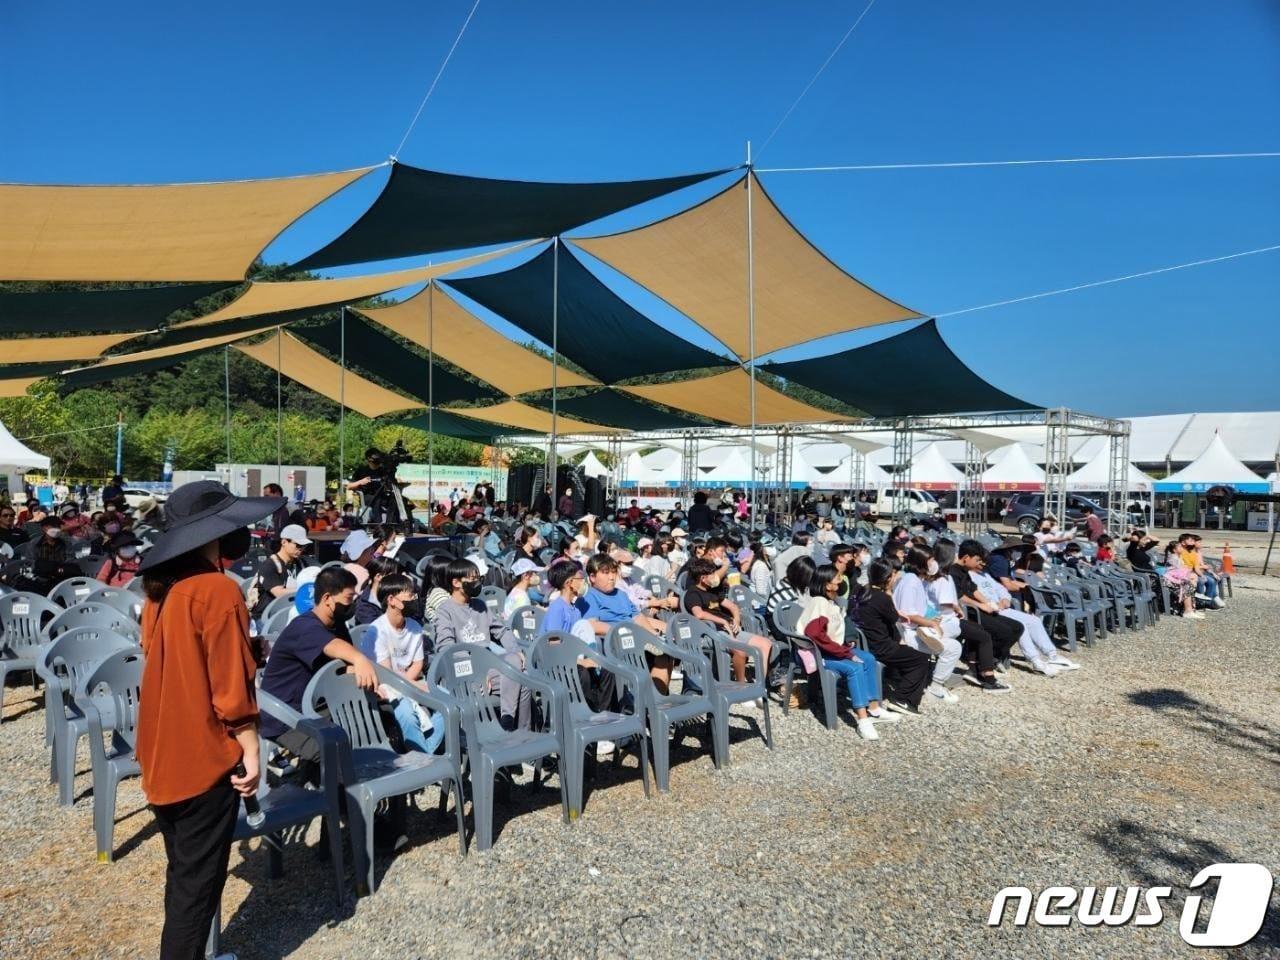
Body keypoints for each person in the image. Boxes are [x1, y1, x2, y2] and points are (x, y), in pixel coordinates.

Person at [135, 480, 282, 959]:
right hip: (201, 758)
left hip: (160, 753)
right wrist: (251, 747)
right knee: (197, 889)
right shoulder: (218, 589)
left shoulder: (162, 588)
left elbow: (174, 661)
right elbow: (229, 691)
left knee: (184, 877)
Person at [260, 567, 378, 758]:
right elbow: (332, 646)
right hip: (286, 716)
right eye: (349, 598)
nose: (353, 604)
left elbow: (339, 666)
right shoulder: (304, 627)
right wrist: (359, 658)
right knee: (335, 752)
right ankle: (336, 786)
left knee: (378, 714)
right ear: (327, 599)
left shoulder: (336, 623)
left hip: (318, 704)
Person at [797, 563, 895, 739]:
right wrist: (844, 653)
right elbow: (814, 634)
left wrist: (847, 644)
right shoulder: (819, 602)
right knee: (855, 668)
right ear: (828, 584)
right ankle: (863, 720)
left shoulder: (832, 602)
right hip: (821, 654)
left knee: (869, 659)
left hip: (835, 649)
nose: (841, 579)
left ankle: (874, 708)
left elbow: (838, 628)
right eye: (837, 578)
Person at [434, 558, 533, 731]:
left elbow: (502, 631)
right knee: (521, 682)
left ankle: (513, 726)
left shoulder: (480, 605)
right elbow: (447, 649)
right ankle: (513, 731)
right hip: (464, 673)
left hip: (489, 669)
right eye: (471, 579)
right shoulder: (445, 611)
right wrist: (477, 672)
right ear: (456, 582)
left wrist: (516, 651)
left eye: (478, 579)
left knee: (517, 666)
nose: (476, 583)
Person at [848, 560, 932, 716]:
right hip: (880, 647)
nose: (895, 578)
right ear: (887, 578)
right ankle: (903, 699)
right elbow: (894, 618)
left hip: (862, 644)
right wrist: (889, 594)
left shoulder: (858, 592)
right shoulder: (882, 598)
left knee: (908, 652)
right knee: (920, 659)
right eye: (893, 575)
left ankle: (897, 683)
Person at [372, 573, 443, 754]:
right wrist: (415, 687)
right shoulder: (377, 631)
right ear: (391, 600)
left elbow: (418, 663)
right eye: (409, 595)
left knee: (448, 700)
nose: (414, 599)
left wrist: (412, 686)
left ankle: (423, 757)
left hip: (408, 682)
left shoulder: (414, 627)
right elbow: (385, 674)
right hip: (384, 688)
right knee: (407, 714)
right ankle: (424, 760)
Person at [580, 553, 673, 690]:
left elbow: (637, 617)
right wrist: (625, 630)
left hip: (636, 638)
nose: (611, 577)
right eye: (605, 573)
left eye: (613, 572)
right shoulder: (590, 597)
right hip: (616, 644)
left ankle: (656, 698)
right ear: (592, 577)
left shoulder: (621, 594)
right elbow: (592, 625)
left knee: (666, 652)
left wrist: (653, 634)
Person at [683, 556, 773, 690]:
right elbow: (699, 614)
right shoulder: (692, 594)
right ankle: (741, 687)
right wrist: (723, 621)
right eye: (712, 574)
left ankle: (759, 687)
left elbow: (733, 607)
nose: (715, 577)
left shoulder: (713, 590)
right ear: (702, 578)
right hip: (712, 632)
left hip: (729, 629)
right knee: (740, 651)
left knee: (765, 644)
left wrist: (736, 620)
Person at [892, 546, 965, 704]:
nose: (934, 563)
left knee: (952, 642)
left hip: (914, 630)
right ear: (921, 562)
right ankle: (936, 688)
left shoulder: (912, 579)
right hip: (909, 634)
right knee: (953, 648)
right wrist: (932, 623)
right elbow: (908, 614)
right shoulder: (911, 581)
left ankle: (934, 684)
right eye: (930, 560)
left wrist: (931, 619)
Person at [249, 523, 310, 627]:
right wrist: (306, 588)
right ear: (284, 542)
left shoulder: (301, 563)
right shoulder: (270, 565)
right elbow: (280, 593)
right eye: (298, 545)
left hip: (291, 613)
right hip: (266, 618)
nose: (301, 549)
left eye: (304, 546)